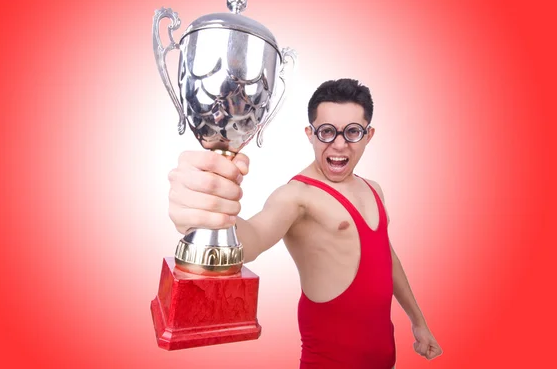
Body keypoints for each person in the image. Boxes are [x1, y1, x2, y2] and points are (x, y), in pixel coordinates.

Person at [167, 78, 442, 368]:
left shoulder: (374, 189)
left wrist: (418, 321)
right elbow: (252, 241)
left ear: (368, 135)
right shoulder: (297, 196)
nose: (339, 143)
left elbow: (388, 259)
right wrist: (209, 214)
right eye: (326, 132)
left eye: (352, 132)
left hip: (385, 358)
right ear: (310, 134)